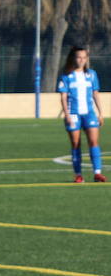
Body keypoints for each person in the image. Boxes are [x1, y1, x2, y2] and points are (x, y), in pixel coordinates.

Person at [57, 45, 104, 183]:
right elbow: (63, 97)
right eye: (78, 57)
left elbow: (95, 93)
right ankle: (78, 175)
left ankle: (97, 173)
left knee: (94, 142)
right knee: (76, 144)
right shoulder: (66, 76)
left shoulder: (91, 74)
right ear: (73, 58)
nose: (81, 60)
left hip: (89, 113)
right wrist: (66, 114)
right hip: (73, 114)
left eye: (84, 57)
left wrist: (101, 113)